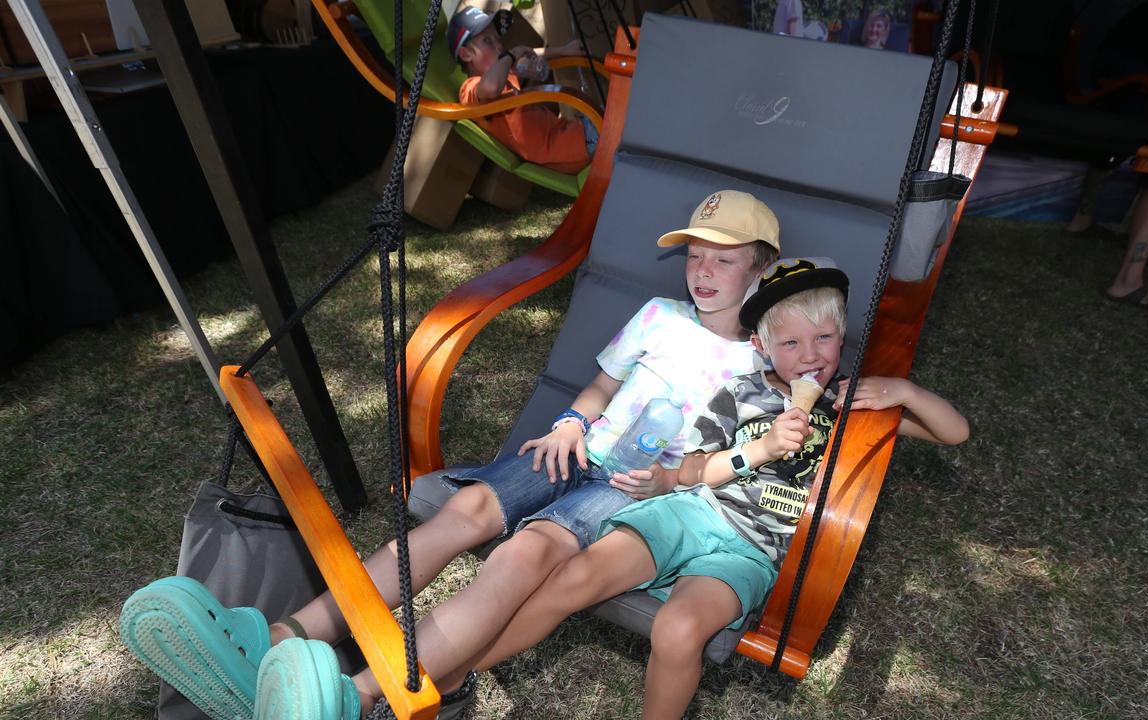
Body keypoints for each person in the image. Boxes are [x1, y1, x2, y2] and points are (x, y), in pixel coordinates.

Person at [120, 190, 783, 718]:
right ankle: (274, 640)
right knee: (461, 513)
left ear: (760, 270)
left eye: (723, 260)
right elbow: (603, 385)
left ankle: (358, 696)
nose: (702, 272)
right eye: (694, 255)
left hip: (634, 484)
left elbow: (807, 396)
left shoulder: (765, 357)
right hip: (576, 449)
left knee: (525, 556)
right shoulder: (658, 315)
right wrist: (569, 424)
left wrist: (890, 390)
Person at [439, 257, 971, 719]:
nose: (811, 355)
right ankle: (455, 674)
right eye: (790, 342)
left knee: (676, 630)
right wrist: (758, 450)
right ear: (762, 346)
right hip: (689, 513)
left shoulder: (846, 403)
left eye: (825, 338)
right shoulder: (738, 393)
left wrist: (904, 390)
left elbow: (953, 432)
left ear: (842, 336)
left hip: (751, 551)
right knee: (572, 577)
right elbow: (691, 470)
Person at [451, 6, 596, 174]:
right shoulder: (470, 87)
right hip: (569, 147)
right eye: (487, 41)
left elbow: (531, 53)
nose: (499, 46)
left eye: (498, 38)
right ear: (466, 54)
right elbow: (490, 88)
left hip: (572, 133)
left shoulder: (502, 71)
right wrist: (510, 55)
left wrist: (564, 50)